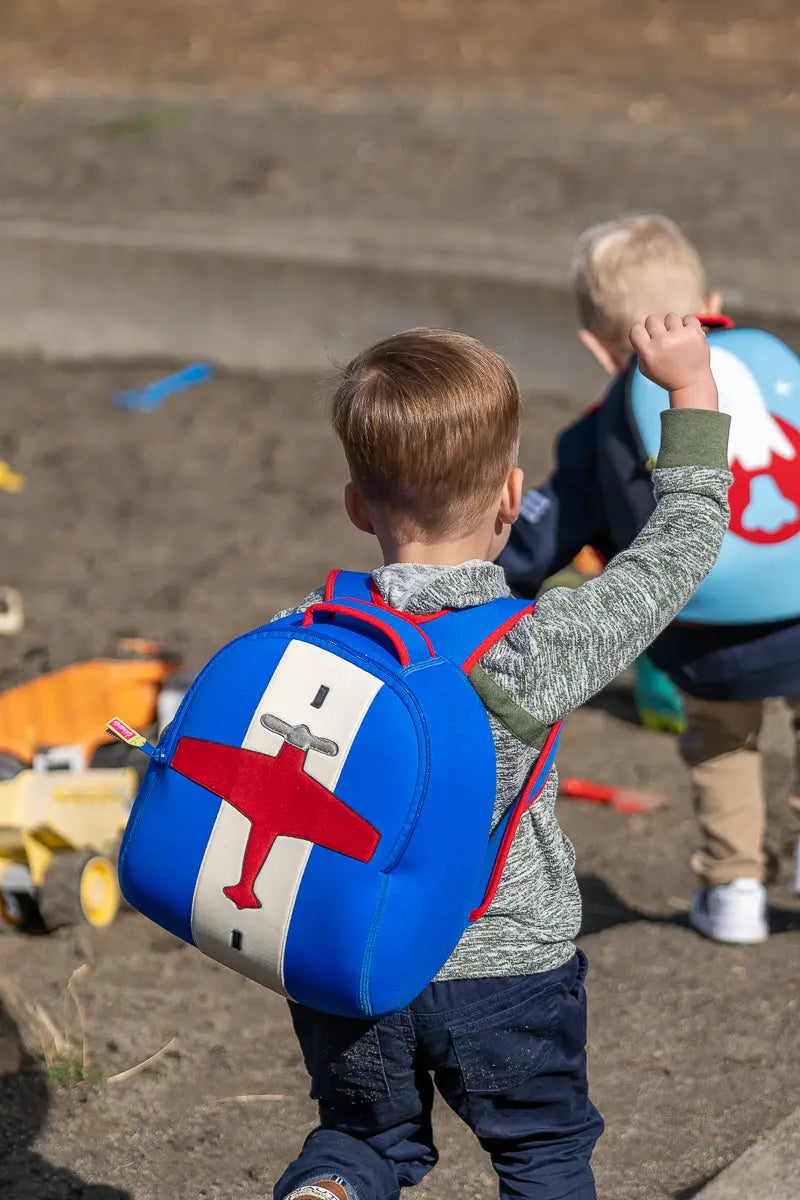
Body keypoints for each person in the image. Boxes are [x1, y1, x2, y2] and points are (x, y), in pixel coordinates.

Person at [273, 316, 729, 1200]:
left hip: (351, 961)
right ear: (513, 497)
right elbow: (680, 545)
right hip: (506, 971)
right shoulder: (532, 647)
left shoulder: (309, 633)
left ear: (357, 506)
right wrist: (690, 388)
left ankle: (329, 1188)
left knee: (362, 1141)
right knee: (543, 1155)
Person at [500, 213, 800, 945]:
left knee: (723, 742)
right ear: (713, 303)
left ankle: (733, 889)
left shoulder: (602, 425)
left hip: (706, 631)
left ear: (598, 347)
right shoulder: (772, 364)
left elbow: (543, 536)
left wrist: (490, 580)